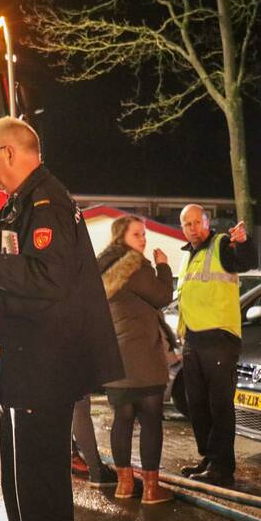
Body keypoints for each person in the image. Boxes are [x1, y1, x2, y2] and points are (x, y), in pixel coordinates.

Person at [0, 116, 122, 521]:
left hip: (44, 365)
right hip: (22, 362)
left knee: (41, 475)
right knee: (18, 472)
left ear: (9, 153)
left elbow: (47, 278)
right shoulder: (21, 203)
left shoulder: (48, 204)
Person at [176, 205, 257, 487]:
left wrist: (244, 242)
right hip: (193, 340)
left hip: (219, 339)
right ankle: (209, 458)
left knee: (219, 405)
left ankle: (222, 466)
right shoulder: (188, 255)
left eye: (197, 222)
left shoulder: (221, 244)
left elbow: (245, 262)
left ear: (207, 222)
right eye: (187, 224)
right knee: (197, 405)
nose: (193, 228)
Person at [98, 216, 175, 504]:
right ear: (121, 238)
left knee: (122, 419)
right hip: (143, 357)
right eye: (137, 234)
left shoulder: (102, 267)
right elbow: (163, 296)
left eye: (144, 234)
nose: (143, 239)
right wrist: (163, 266)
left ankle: (124, 485)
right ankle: (151, 490)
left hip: (116, 358)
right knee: (151, 420)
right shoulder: (133, 266)